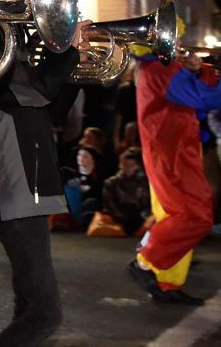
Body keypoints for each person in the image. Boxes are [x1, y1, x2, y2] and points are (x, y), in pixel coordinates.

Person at [0, 10, 90, 345]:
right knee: (46, 314)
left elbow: (51, 110)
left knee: (28, 305)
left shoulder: (9, 73)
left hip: (28, 186)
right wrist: (64, 52)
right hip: (13, 191)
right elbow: (39, 91)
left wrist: (74, 63)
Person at [129, 47, 218, 305]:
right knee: (194, 217)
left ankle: (165, 282)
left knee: (178, 217)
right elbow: (203, 97)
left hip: (175, 149)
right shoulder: (161, 69)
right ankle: (146, 260)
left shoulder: (160, 67)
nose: (178, 43)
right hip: (172, 153)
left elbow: (196, 95)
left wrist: (197, 71)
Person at [102, 147, 150, 236]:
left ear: (137, 165)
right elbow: (110, 205)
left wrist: (145, 217)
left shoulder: (147, 182)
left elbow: (149, 204)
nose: (125, 167)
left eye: (130, 165)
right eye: (123, 164)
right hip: (121, 217)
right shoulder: (111, 183)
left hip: (142, 216)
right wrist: (122, 218)